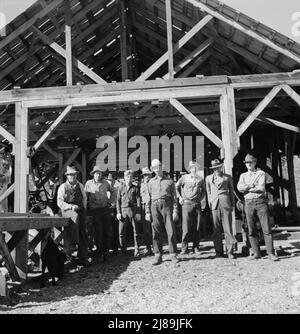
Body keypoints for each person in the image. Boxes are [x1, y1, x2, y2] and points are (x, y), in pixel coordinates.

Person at [237, 153, 279, 261]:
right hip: (248, 203)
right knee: (251, 229)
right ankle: (256, 253)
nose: (248, 164)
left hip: (260, 203)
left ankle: (270, 253)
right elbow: (239, 188)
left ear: (255, 162)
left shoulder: (261, 173)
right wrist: (250, 186)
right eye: (247, 163)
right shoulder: (243, 176)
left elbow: (261, 188)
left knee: (266, 228)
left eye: (250, 162)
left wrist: (248, 188)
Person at [146, 159, 179, 265]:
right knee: (156, 231)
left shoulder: (169, 181)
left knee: (171, 230)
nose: (156, 169)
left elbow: (174, 197)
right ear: (152, 169)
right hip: (154, 206)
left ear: (161, 167)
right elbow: (148, 198)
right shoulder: (150, 182)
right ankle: (158, 255)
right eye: (154, 167)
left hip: (167, 206)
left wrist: (175, 211)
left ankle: (173, 254)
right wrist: (147, 212)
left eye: (158, 167)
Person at [57, 166, 90, 266]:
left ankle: (83, 257)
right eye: (70, 175)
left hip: (80, 211)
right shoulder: (63, 187)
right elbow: (59, 202)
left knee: (83, 232)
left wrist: (83, 209)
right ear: (67, 176)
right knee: (74, 217)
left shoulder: (80, 185)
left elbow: (84, 199)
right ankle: (72, 245)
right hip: (67, 211)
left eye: (74, 175)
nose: (72, 177)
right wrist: (70, 207)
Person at [206, 159, 236, 260]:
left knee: (228, 228)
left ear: (221, 167)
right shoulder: (208, 178)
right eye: (214, 168)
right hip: (214, 205)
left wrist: (232, 204)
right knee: (216, 229)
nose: (216, 169)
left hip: (225, 203)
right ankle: (218, 252)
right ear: (212, 169)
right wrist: (210, 203)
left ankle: (230, 251)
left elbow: (231, 191)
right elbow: (208, 192)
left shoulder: (227, 177)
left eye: (218, 167)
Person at [84, 166, 113, 263]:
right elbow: (84, 197)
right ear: (93, 174)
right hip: (95, 211)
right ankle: (100, 254)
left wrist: (110, 201)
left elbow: (113, 191)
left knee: (107, 232)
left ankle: (106, 252)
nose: (98, 175)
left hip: (105, 209)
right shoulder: (88, 184)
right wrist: (86, 208)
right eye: (96, 173)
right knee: (98, 233)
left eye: (99, 173)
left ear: (101, 175)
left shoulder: (105, 183)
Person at [176, 161, 206, 255]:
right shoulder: (184, 178)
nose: (193, 169)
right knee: (186, 228)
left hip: (196, 204)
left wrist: (200, 199)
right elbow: (176, 187)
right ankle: (184, 248)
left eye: (195, 168)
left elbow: (204, 191)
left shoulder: (200, 179)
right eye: (192, 168)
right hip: (186, 205)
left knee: (197, 227)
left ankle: (196, 247)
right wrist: (180, 197)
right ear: (189, 169)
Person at [116, 170, 142, 257]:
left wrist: (138, 212)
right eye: (127, 177)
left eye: (130, 177)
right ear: (124, 178)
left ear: (132, 178)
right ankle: (123, 250)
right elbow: (117, 201)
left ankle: (137, 249)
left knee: (136, 231)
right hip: (123, 211)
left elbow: (138, 201)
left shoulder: (135, 188)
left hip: (133, 211)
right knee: (121, 232)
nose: (129, 178)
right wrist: (118, 212)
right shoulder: (120, 187)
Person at [140, 167, 154, 256]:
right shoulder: (140, 185)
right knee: (146, 229)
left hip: (153, 206)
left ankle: (155, 247)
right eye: (145, 175)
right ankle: (147, 247)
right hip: (144, 208)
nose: (146, 176)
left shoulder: (154, 183)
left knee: (154, 228)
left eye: (148, 174)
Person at [106, 172, 120, 254]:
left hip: (115, 210)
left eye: (111, 180)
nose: (110, 181)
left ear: (114, 180)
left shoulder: (117, 188)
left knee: (115, 229)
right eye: (109, 180)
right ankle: (108, 247)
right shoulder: (105, 187)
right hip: (106, 210)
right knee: (108, 230)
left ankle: (115, 247)